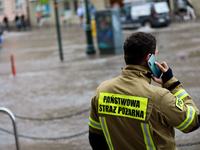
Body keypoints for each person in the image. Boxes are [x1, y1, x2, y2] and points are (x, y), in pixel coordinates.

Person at [88, 32, 200, 150]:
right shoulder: (159, 97)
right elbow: (193, 122)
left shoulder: (101, 91)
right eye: (156, 55)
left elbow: (96, 140)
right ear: (149, 58)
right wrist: (172, 84)